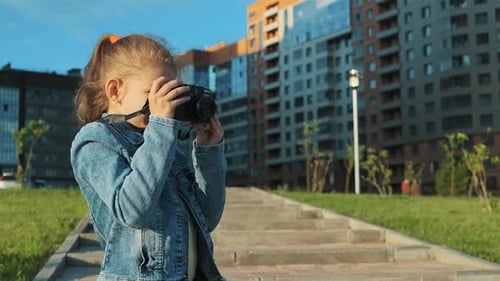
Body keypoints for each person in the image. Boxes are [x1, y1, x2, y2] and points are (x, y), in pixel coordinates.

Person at [70, 33, 227, 281]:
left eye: (171, 94)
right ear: (115, 90)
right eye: (154, 94)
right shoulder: (96, 140)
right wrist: (161, 128)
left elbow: (207, 218)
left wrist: (209, 151)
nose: (165, 105)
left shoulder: (166, 147)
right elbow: (133, 210)